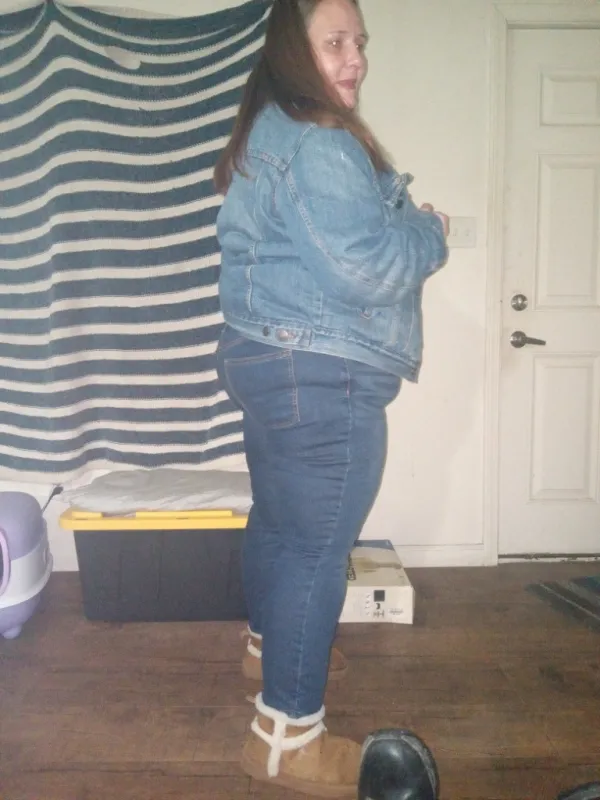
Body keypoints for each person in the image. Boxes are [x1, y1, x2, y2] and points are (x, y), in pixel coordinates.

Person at [213, 0, 449, 795]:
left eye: (360, 42)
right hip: (319, 373)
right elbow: (366, 268)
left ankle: (266, 650)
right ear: (294, 49)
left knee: (281, 525)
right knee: (315, 551)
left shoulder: (268, 131)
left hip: (265, 357)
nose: (356, 59)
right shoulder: (318, 140)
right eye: (336, 42)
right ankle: (285, 739)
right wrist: (430, 233)